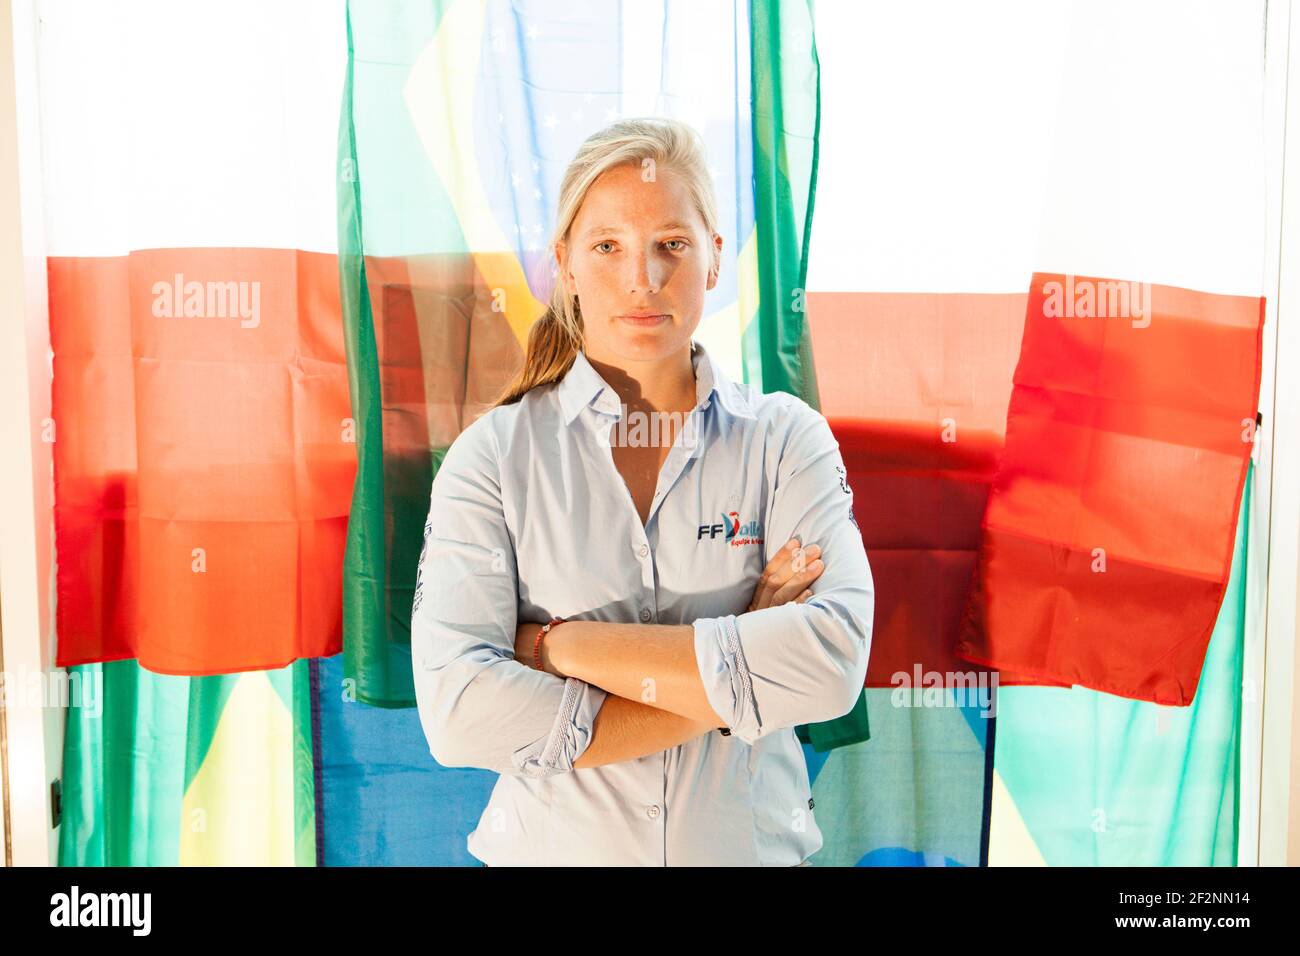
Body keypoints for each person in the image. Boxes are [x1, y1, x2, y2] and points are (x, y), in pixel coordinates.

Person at [411, 116, 873, 866]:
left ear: (716, 257)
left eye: (672, 245)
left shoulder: (786, 440)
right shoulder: (493, 458)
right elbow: (461, 714)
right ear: (564, 262)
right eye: (608, 247)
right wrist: (742, 664)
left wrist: (561, 647)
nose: (643, 280)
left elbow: (829, 667)